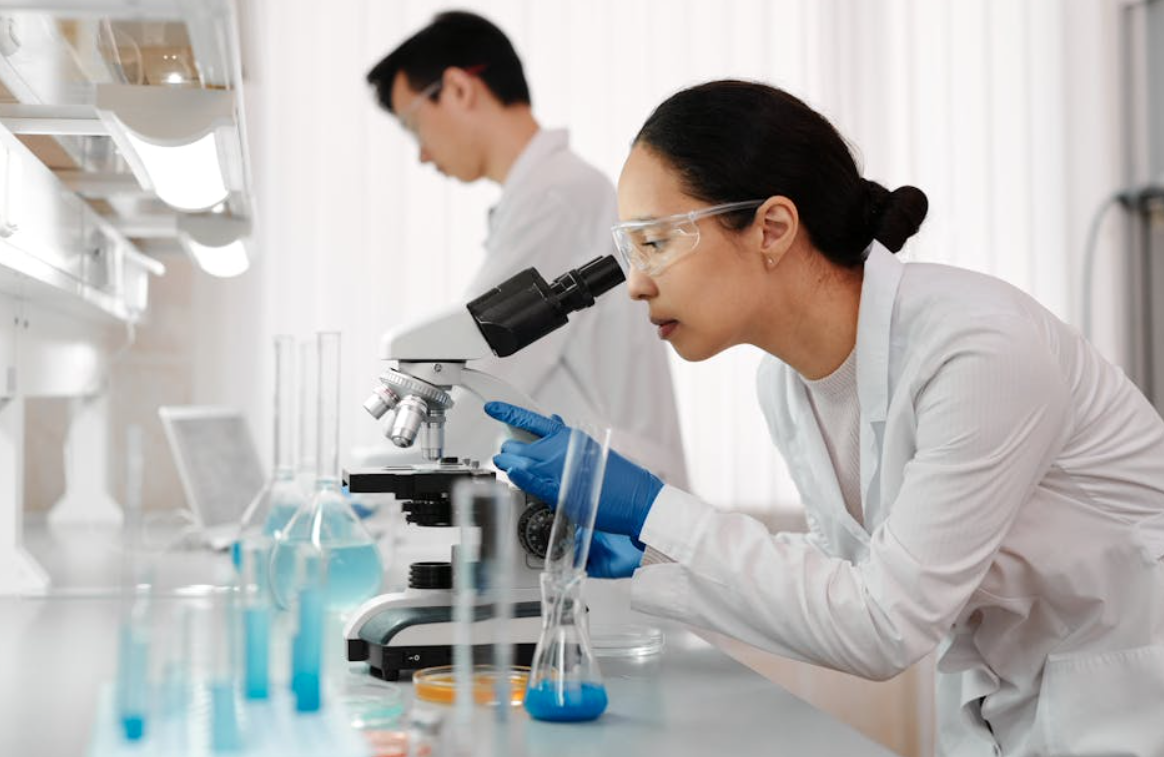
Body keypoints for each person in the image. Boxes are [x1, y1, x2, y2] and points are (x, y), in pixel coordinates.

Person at [488, 80, 1164, 756]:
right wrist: (655, 556)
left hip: (1130, 702)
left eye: (657, 243)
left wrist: (654, 509)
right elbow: (850, 573)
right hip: (1016, 707)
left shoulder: (979, 349)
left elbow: (883, 624)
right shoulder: (784, 384)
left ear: (773, 229)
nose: (636, 283)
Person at [367, 10, 686, 485]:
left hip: (622, 500)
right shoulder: (549, 195)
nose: (422, 154)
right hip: (600, 488)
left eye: (414, 126)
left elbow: (482, 363)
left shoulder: (557, 198)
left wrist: (371, 481)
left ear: (458, 89)